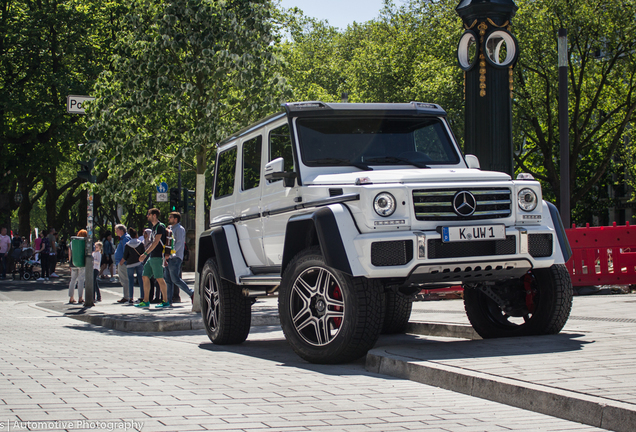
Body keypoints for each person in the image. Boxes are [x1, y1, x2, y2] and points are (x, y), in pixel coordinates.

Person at [135, 208, 169, 309]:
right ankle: (146, 301)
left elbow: (156, 242)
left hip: (157, 256)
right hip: (152, 256)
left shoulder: (160, 226)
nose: (147, 216)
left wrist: (145, 254)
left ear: (154, 215)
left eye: (148, 214)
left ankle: (165, 301)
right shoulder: (154, 227)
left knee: (159, 279)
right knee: (145, 276)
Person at [164, 212, 194, 303]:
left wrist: (171, 253)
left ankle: (191, 293)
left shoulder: (180, 229)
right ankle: (167, 300)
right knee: (168, 280)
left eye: (170, 217)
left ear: (176, 219)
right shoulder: (170, 228)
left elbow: (179, 243)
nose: (169, 218)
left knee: (175, 279)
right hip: (169, 257)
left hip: (175, 257)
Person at [123, 228, 145, 304]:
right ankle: (142, 297)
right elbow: (143, 253)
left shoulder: (127, 244)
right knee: (141, 280)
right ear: (136, 235)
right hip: (139, 263)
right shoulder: (141, 243)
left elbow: (125, 256)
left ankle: (130, 298)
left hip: (130, 264)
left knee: (130, 281)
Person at [68, 230, 88, 304]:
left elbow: (70, 253)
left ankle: (71, 297)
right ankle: (80, 297)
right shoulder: (85, 242)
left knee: (73, 280)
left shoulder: (72, 242)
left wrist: (70, 263)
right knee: (81, 280)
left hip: (73, 262)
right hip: (82, 263)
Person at [114, 224, 131, 303]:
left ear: (121, 230)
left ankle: (127, 296)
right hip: (121, 262)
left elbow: (126, 250)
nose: (116, 232)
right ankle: (127, 296)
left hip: (123, 262)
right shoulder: (123, 238)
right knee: (123, 279)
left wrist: (122, 260)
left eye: (117, 230)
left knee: (125, 279)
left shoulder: (125, 238)